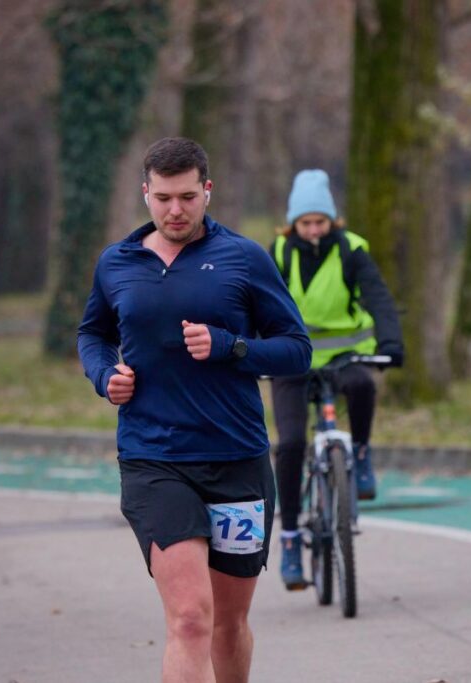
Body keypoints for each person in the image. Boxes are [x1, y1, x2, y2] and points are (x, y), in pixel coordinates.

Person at [77, 137, 311, 683]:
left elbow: (297, 350)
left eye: (187, 197)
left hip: (237, 462)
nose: (175, 210)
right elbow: (93, 334)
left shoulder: (244, 259)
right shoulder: (117, 263)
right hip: (155, 460)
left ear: (208, 190)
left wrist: (233, 346)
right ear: (146, 194)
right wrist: (104, 375)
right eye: (163, 198)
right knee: (188, 618)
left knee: (228, 624)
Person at [268, 169, 404, 590]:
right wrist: (249, 348)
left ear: (332, 220)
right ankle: (291, 538)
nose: (313, 230)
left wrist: (391, 341)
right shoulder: (278, 252)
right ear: (293, 223)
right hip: (292, 357)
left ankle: (360, 455)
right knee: (291, 443)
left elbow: (378, 297)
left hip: (345, 355)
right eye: (306, 223)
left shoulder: (351, 250)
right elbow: (255, 303)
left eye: (320, 222)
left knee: (362, 385)